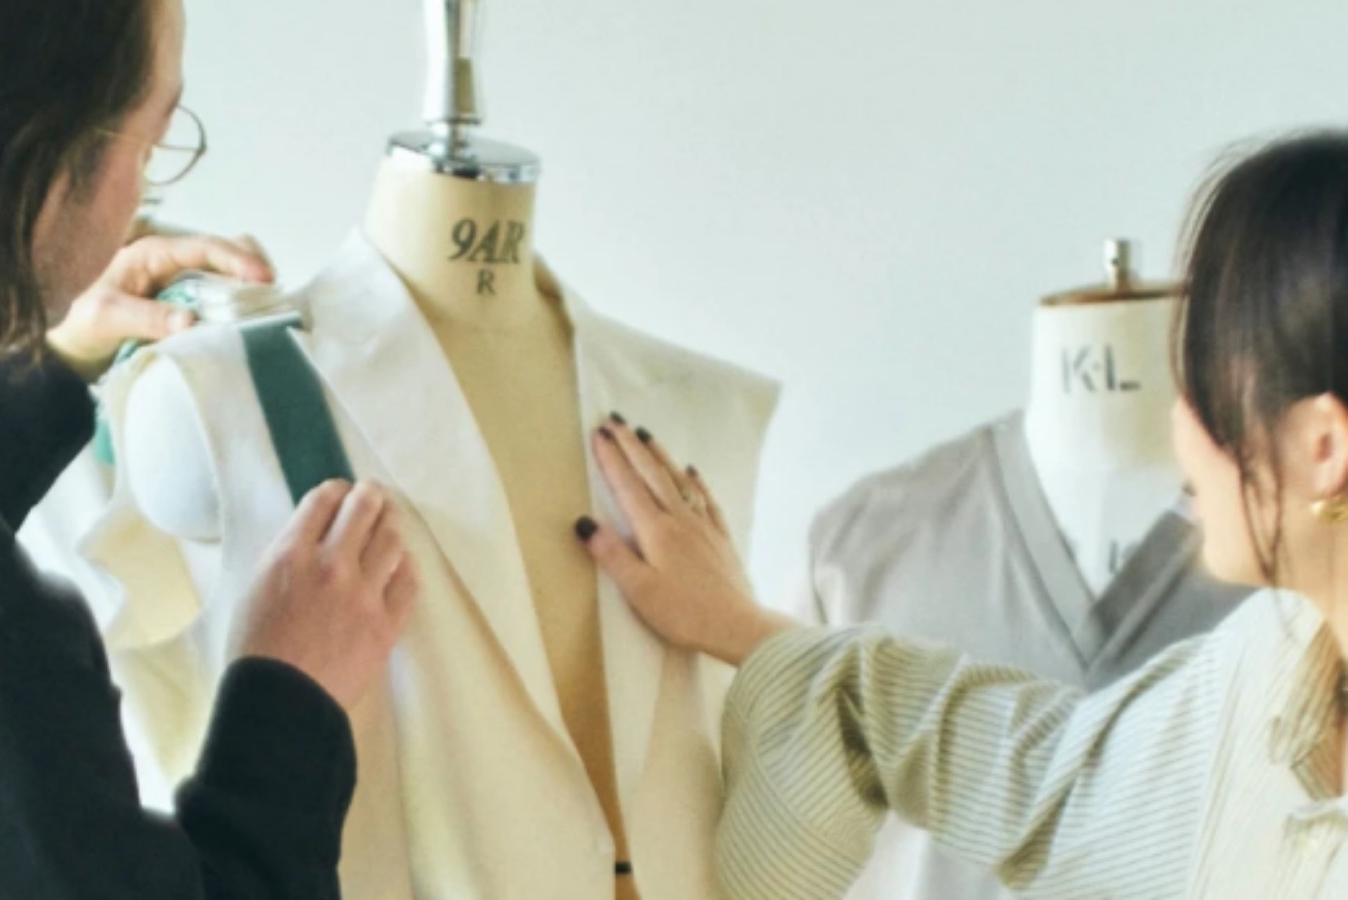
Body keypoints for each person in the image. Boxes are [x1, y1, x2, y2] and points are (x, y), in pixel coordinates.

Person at [0, 0, 418, 897]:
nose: (142, 195)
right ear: (38, 172)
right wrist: (292, 698)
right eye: (151, 142)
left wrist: (42, 357)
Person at [576, 132, 1348, 898]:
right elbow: (1052, 779)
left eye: (1204, 384)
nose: (1180, 426)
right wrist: (739, 626)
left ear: (1324, 447)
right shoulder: (1276, 663)